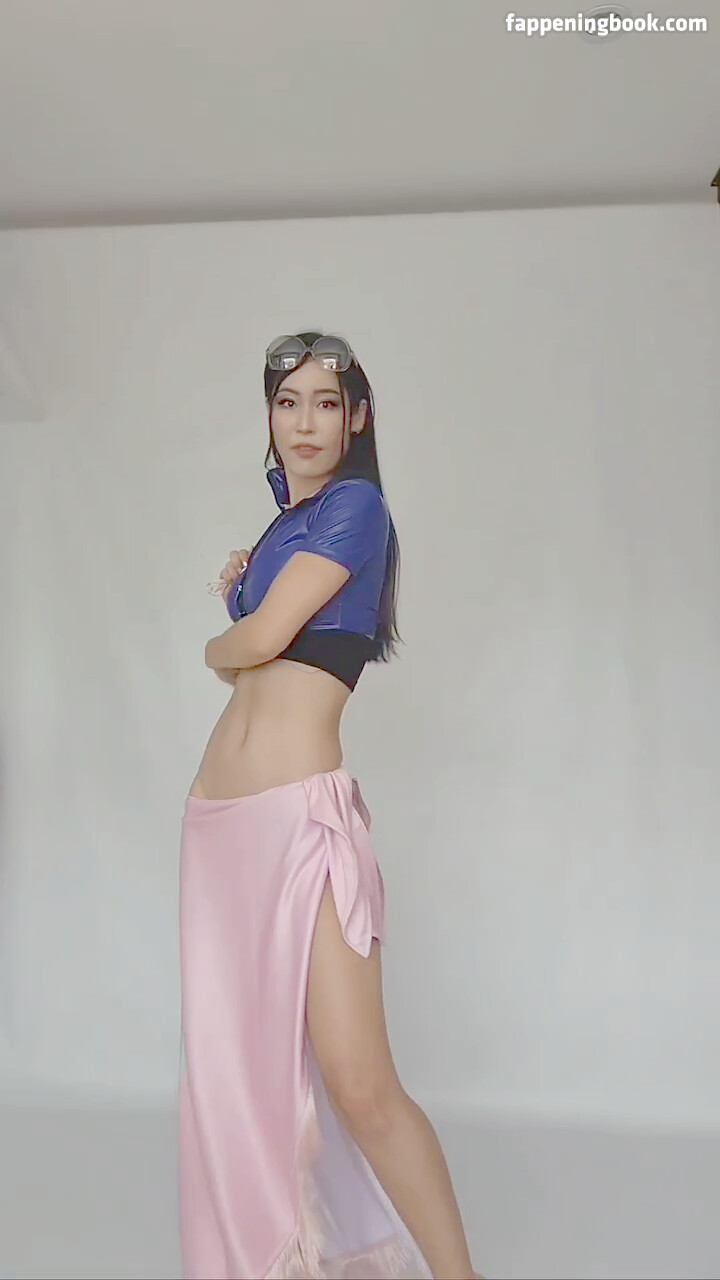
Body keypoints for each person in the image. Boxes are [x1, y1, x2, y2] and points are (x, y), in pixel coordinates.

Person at [178, 332, 482, 1280]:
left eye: (324, 402)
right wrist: (248, 592)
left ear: (357, 417)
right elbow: (264, 628)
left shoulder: (357, 507)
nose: (305, 422)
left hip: (296, 822)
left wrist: (223, 641)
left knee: (358, 1080)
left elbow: (259, 639)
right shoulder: (288, 525)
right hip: (220, 829)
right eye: (287, 402)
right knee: (236, 1075)